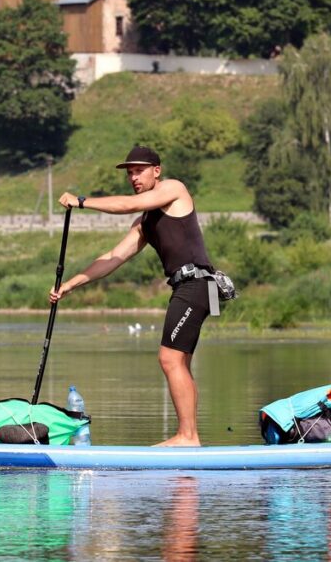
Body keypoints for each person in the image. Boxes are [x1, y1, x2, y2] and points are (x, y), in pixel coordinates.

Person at [49, 145, 216, 447]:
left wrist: (82, 201)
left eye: (139, 171)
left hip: (197, 284)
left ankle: (187, 437)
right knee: (179, 363)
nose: (134, 177)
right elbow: (113, 256)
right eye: (130, 173)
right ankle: (190, 437)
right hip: (187, 288)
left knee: (169, 359)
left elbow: (127, 203)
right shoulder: (146, 222)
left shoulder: (174, 189)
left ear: (156, 170)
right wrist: (70, 285)